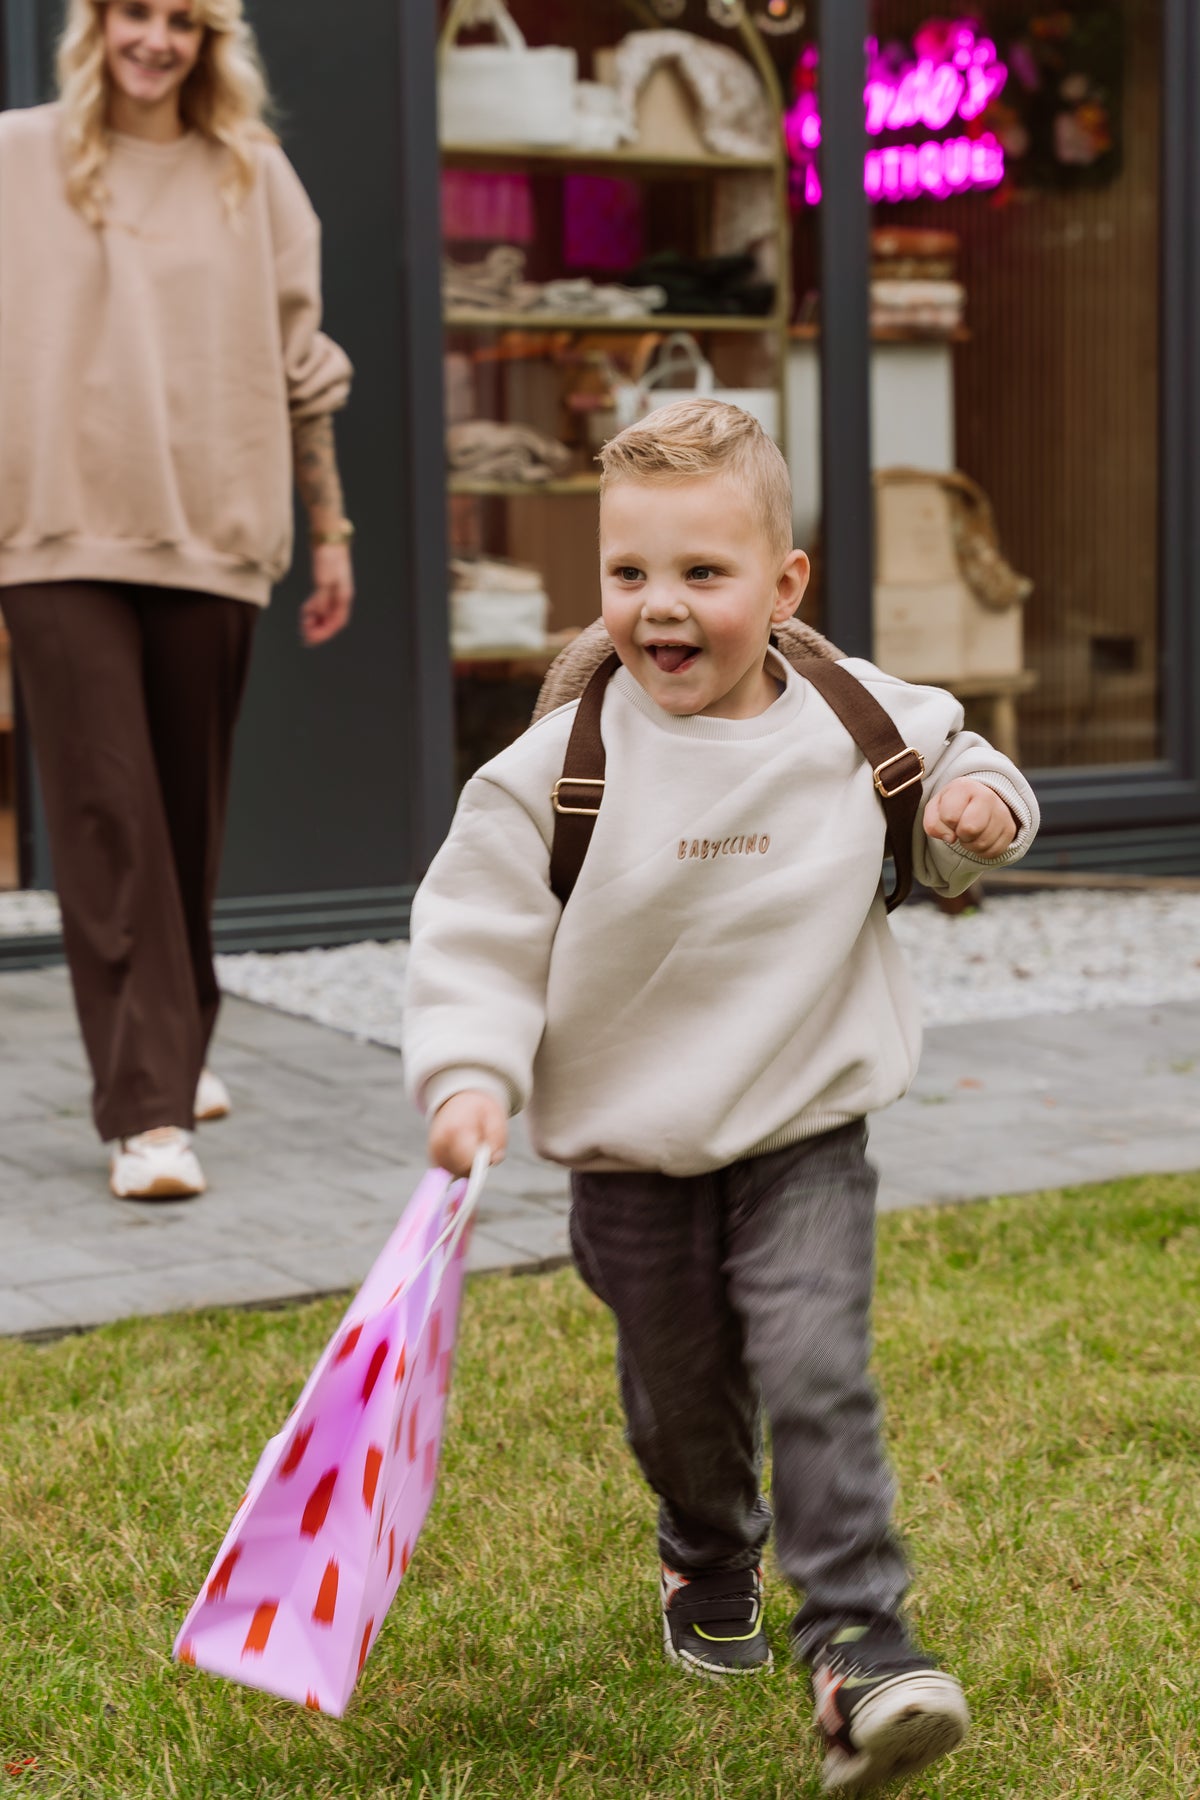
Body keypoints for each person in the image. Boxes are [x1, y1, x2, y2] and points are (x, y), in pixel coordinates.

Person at [403, 398, 1041, 1794]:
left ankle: (864, 1646)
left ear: (785, 582)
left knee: (816, 1366)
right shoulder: (557, 770)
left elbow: (964, 772)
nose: (661, 609)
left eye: (704, 573)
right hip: (632, 1147)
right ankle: (707, 1553)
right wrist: (467, 1075)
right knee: (679, 1398)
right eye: (630, 576)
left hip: (805, 1122)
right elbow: (477, 940)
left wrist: (981, 812)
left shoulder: (857, 719)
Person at [0, 0, 354, 1200]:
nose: (156, 41)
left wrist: (335, 532)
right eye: (136, 15)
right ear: (95, 26)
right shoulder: (17, 157)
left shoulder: (252, 176)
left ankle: (173, 1037)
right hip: (53, 532)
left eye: (183, 24)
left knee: (183, 822)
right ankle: (146, 1112)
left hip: (212, 533)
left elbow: (307, 369)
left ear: (211, 43)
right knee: (107, 817)